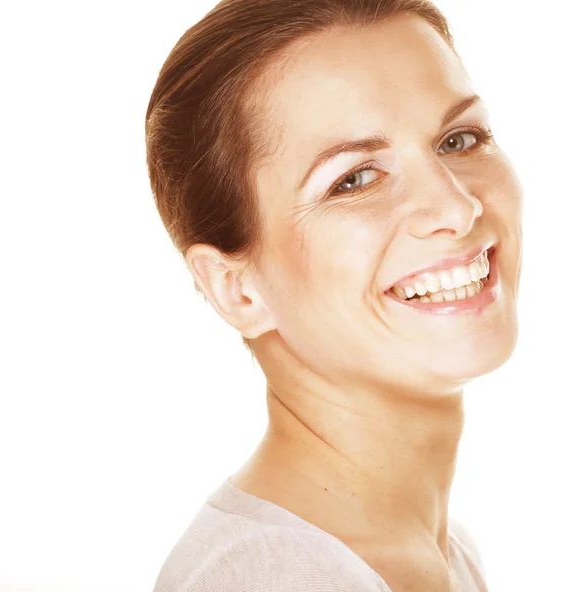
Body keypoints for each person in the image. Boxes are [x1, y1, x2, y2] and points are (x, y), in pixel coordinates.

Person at [145, 0, 523, 590]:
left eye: (459, 139)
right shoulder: (274, 578)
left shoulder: (443, 553)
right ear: (235, 287)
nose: (457, 206)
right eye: (354, 179)